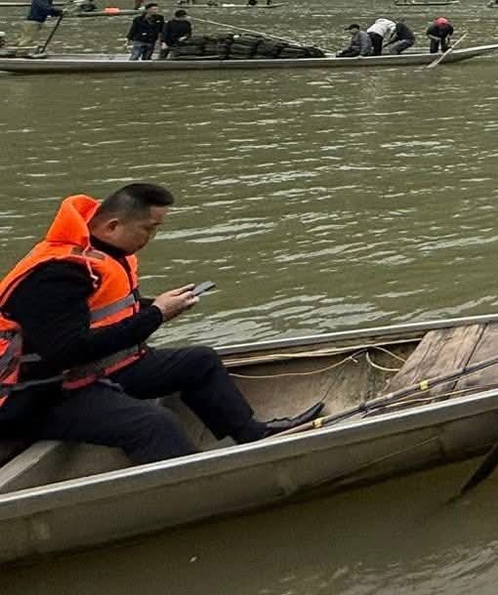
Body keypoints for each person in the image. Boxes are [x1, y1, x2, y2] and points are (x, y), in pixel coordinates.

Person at [0, 183, 321, 464]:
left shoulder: (99, 252)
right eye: (148, 229)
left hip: (87, 372)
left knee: (200, 362)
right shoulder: (56, 275)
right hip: (34, 396)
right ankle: (193, 486)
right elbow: (66, 351)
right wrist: (156, 315)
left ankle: (254, 436)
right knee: (154, 425)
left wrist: (155, 305)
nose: (151, 238)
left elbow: (99, 313)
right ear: (113, 225)